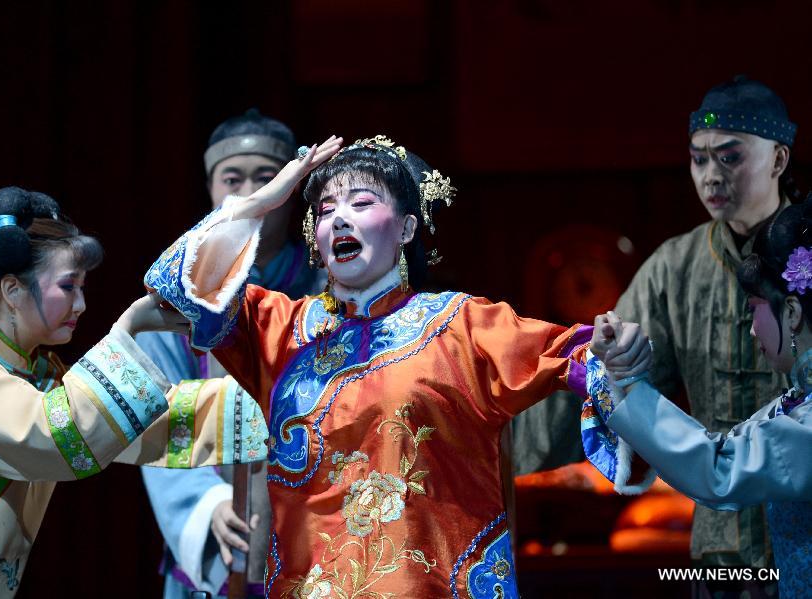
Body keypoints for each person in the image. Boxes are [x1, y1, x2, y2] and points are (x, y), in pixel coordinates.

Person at [144, 134, 650, 597]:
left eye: (362, 203)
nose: (340, 219)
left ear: (407, 227)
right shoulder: (277, 328)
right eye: (326, 210)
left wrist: (616, 353)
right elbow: (173, 284)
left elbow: (578, 356)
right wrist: (262, 202)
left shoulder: (462, 324)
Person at [0, 187, 264, 597]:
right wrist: (129, 328)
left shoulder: (38, 374)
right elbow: (59, 435)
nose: (80, 304)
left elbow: (141, 423)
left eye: (82, 288)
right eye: (68, 287)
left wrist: (267, 400)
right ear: (11, 290)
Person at [613, 76, 801, 590]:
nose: (711, 176)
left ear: (778, 160)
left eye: (729, 157)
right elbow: (614, 378)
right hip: (720, 551)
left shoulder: (805, 250)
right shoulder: (675, 267)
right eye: (699, 159)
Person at [138, 109, 324, 598]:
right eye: (232, 179)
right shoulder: (180, 300)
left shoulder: (328, 290)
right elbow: (158, 414)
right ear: (210, 188)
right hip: (224, 525)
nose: (249, 193)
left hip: (317, 524)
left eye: (266, 178)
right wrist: (207, 503)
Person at [590, 197, 812, 598]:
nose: (753, 329)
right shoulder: (799, 398)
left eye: (756, 308)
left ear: (792, 313)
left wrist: (628, 385)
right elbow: (723, 449)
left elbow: (718, 468)